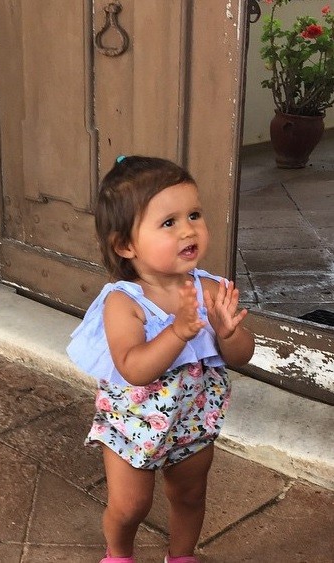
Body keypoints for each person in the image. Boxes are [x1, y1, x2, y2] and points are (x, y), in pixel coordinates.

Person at [67, 155, 255, 563]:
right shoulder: (123, 302)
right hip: (132, 426)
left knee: (191, 494)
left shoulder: (209, 289)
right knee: (130, 506)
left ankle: (181, 554)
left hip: (193, 419)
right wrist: (177, 332)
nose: (188, 229)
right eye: (169, 222)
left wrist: (229, 334)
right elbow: (134, 368)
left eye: (194, 215)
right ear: (126, 245)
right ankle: (119, 553)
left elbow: (243, 356)